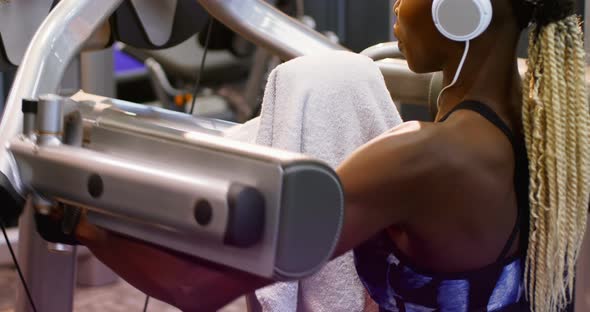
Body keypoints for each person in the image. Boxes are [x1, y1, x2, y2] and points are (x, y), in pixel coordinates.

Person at [68, 0, 589, 311]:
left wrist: (76, 217)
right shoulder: (544, 125)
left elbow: (197, 287)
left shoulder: (423, 158)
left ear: (461, 11)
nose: (396, 6)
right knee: (334, 77)